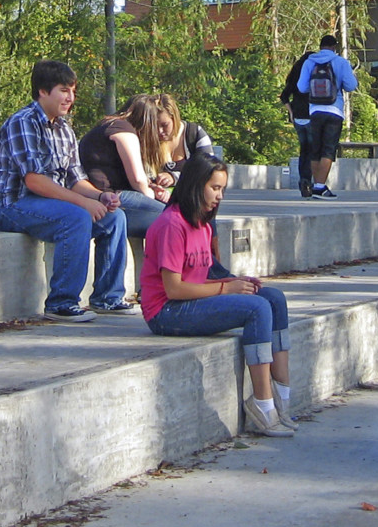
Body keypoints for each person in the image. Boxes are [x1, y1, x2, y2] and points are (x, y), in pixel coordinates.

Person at [141, 152, 296, 438]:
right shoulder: (172, 225)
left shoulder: (203, 222)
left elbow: (207, 271)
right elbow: (174, 288)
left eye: (222, 189)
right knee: (257, 309)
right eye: (215, 188)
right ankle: (262, 405)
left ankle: (282, 398)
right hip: (166, 312)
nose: (220, 196)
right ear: (195, 186)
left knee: (273, 298)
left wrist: (236, 281)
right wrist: (228, 288)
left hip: (192, 300)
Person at [0, 60, 132, 322]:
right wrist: (83, 205)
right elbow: (35, 181)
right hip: (12, 204)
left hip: (46, 202)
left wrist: (100, 197)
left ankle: (107, 298)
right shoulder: (23, 123)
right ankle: (61, 303)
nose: (70, 98)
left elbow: (76, 179)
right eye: (64, 90)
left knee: (115, 218)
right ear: (43, 91)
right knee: (76, 217)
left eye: (73, 91)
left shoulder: (65, 129)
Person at [78, 93, 171, 238]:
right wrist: (153, 195)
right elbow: (138, 180)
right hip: (113, 197)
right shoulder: (123, 129)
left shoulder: (108, 125)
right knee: (175, 219)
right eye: (157, 125)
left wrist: (151, 187)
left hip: (101, 196)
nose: (158, 131)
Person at [294, 33, 358, 198]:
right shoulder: (341, 62)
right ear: (334, 47)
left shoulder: (310, 62)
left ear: (320, 46)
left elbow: (301, 87)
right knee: (328, 150)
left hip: (315, 110)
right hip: (334, 111)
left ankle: (317, 184)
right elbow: (351, 86)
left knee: (315, 149)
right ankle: (320, 186)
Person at [280, 49, 315, 198]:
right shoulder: (313, 75)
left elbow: (284, 96)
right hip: (312, 116)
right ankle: (311, 182)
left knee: (304, 150)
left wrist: (291, 112)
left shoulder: (295, 75)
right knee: (314, 152)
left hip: (298, 117)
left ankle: (304, 180)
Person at [156, 93, 213, 182]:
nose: (159, 131)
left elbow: (208, 171)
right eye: (154, 126)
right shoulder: (146, 139)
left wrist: (174, 177)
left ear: (175, 118)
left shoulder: (195, 134)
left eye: (165, 125)